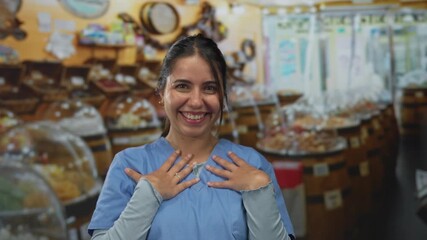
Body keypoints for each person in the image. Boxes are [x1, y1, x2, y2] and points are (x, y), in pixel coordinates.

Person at [88, 34, 295, 240]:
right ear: (161, 92)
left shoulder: (253, 164)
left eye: (209, 88)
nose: (196, 101)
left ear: (223, 96)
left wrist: (258, 191)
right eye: (182, 86)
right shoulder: (128, 165)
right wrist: (148, 194)